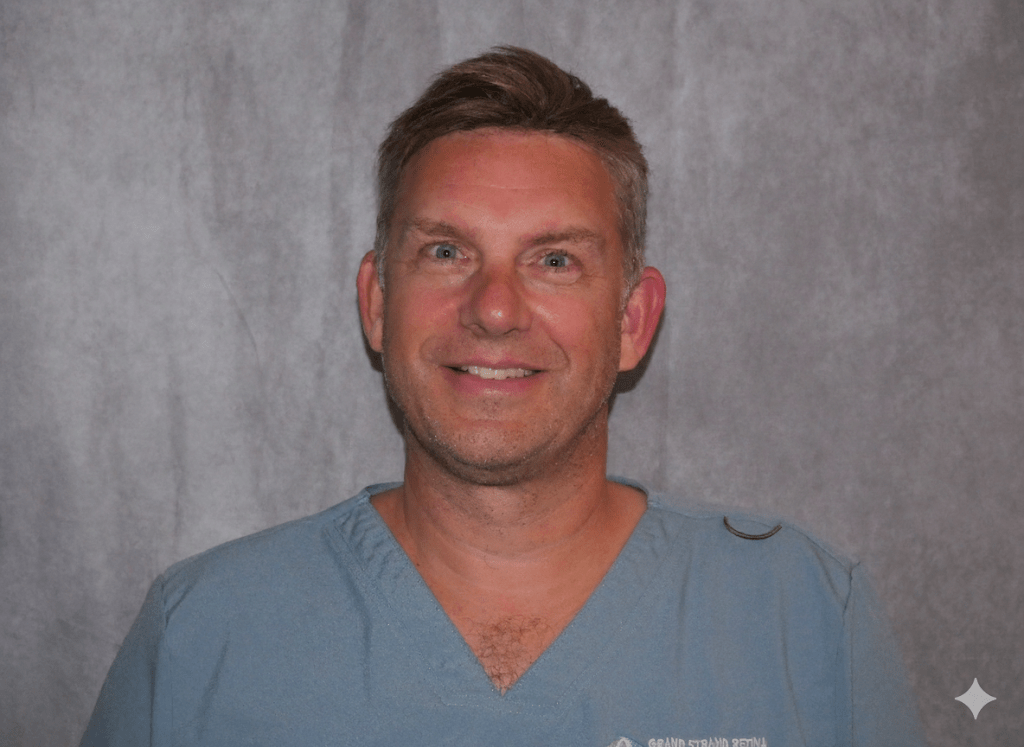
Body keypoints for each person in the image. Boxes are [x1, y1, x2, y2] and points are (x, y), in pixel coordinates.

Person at [80, 47, 923, 746]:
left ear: (633, 320)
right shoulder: (200, 637)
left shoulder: (807, 621)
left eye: (554, 259)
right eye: (446, 251)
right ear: (377, 304)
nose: (492, 307)